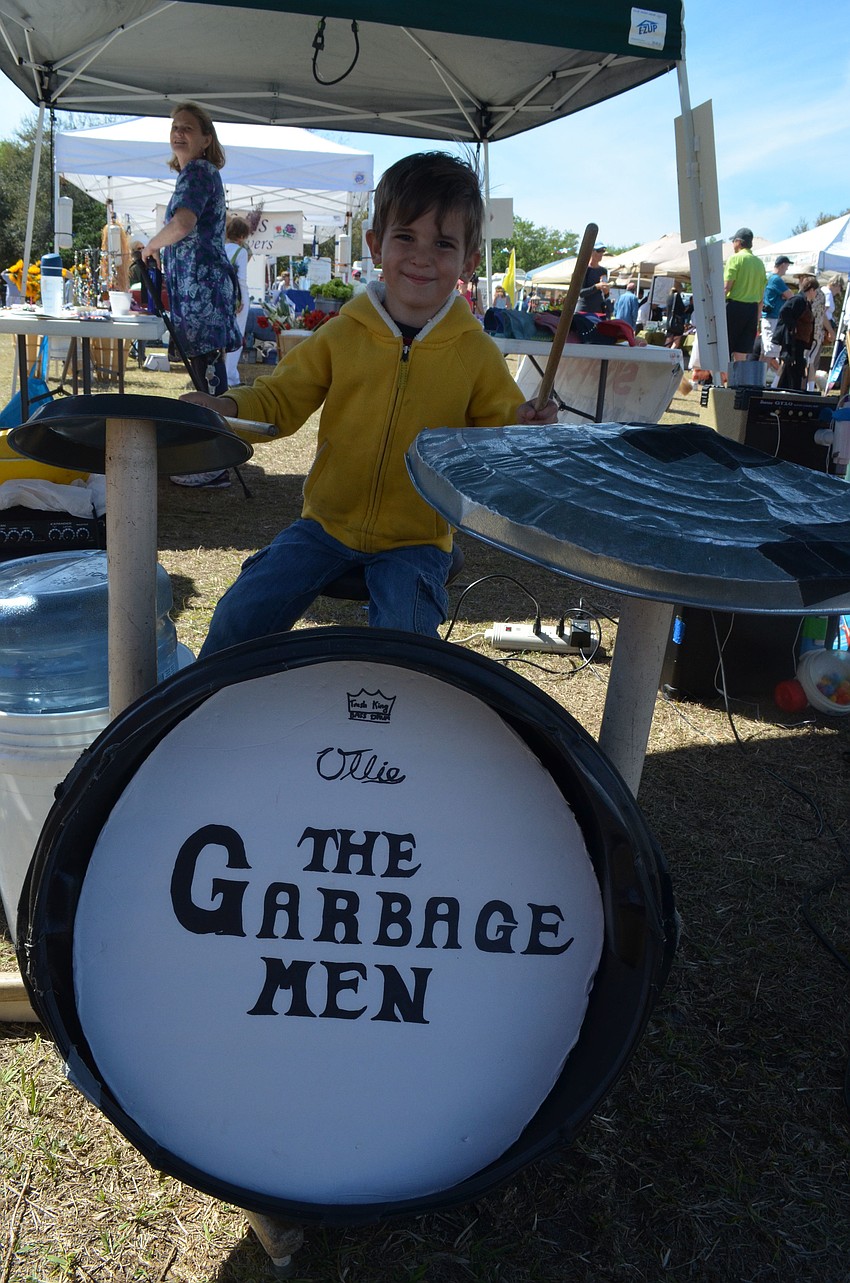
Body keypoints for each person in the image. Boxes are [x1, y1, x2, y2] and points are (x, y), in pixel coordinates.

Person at [180, 151, 558, 656]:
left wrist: (527, 426)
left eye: (443, 244)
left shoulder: (476, 352)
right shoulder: (342, 334)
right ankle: (207, 708)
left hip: (416, 541)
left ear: (468, 262)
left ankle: (395, 728)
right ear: (377, 245)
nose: (422, 257)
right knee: (237, 618)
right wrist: (224, 408)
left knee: (405, 649)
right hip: (325, 525)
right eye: (407, 237)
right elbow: (279, 397)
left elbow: (501, 439)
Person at [141, 102, 241, 490]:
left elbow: (183, 222)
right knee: (204, 374)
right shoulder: (194, 174)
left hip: (202, 292)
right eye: (174, 127)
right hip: (197, 290)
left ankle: (214, 461)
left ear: (205, 139)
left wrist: (151, 245)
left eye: (187, 128)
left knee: (208, 378)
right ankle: (212, 456)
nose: (178, 133)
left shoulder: (198, 171)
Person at [724, 227, 767, 363]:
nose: (733, 245)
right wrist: (757, 316)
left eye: (733, 242)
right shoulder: (759, 263)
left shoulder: (735, 259)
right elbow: (761, 295)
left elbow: (726, 288)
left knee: (725, 348)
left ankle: (720, 381)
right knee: (741, 353)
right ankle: (736, 382)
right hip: (752, 310)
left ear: (739, 242)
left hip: (734, 307)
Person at [775, 276, 820, 391]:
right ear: (811, 290)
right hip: (793, 342)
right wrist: (793, 327)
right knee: (794, 367)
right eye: (815, 291)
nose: (816, 294)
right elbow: (784, 311)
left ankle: (788, 391)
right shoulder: (798, 300)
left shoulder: (805, 302)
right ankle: (792, 392)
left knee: (795, 368)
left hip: (799, 342)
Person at [224, 214, 251, 388]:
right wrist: (242, 300)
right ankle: (231, 376)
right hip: (238, 297)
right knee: (237, 336)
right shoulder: (241, 252)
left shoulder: (220, 248)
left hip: (222, 297)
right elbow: (242, 279)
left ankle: (223, 373)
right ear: (242, 236)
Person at [760, 255, 794, 385]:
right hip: (773, 318)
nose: (787, 269)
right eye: (786, 266)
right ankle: (761, 381)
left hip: (767, 317)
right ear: (782, 265)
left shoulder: (768, 277)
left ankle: (759, 379)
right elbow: (790, 296)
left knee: (765, 352)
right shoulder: (776, 279)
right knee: (770, 351)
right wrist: (784, 296)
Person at [806, 272, 835, 391]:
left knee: (808, 361)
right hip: (815, 333)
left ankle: (808, 389)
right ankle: (810, 388)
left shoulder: (816, 294)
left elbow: (820, 314)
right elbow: (823, 315)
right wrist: (830, 331)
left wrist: (830, 330)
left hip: (812, 333)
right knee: (810, 362)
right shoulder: (822, 294)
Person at [578, 243, 609, 315]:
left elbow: (605, 295)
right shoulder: (584, 270)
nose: (601, 254)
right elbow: (580, 293)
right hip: (584, 310)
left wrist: (606, 291)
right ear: (591, 252)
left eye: (603, 251)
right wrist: (596, 287)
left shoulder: (603, 271)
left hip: (598, 311)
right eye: (598, 251)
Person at [664, 281, 691, 349]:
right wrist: (688, 307)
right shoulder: (677, 296)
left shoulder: (669, 296)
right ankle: (671, 354)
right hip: (676, 322)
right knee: (676, 340)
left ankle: (664, 353)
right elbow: (681, 309)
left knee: (668, 339)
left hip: (669, 321)